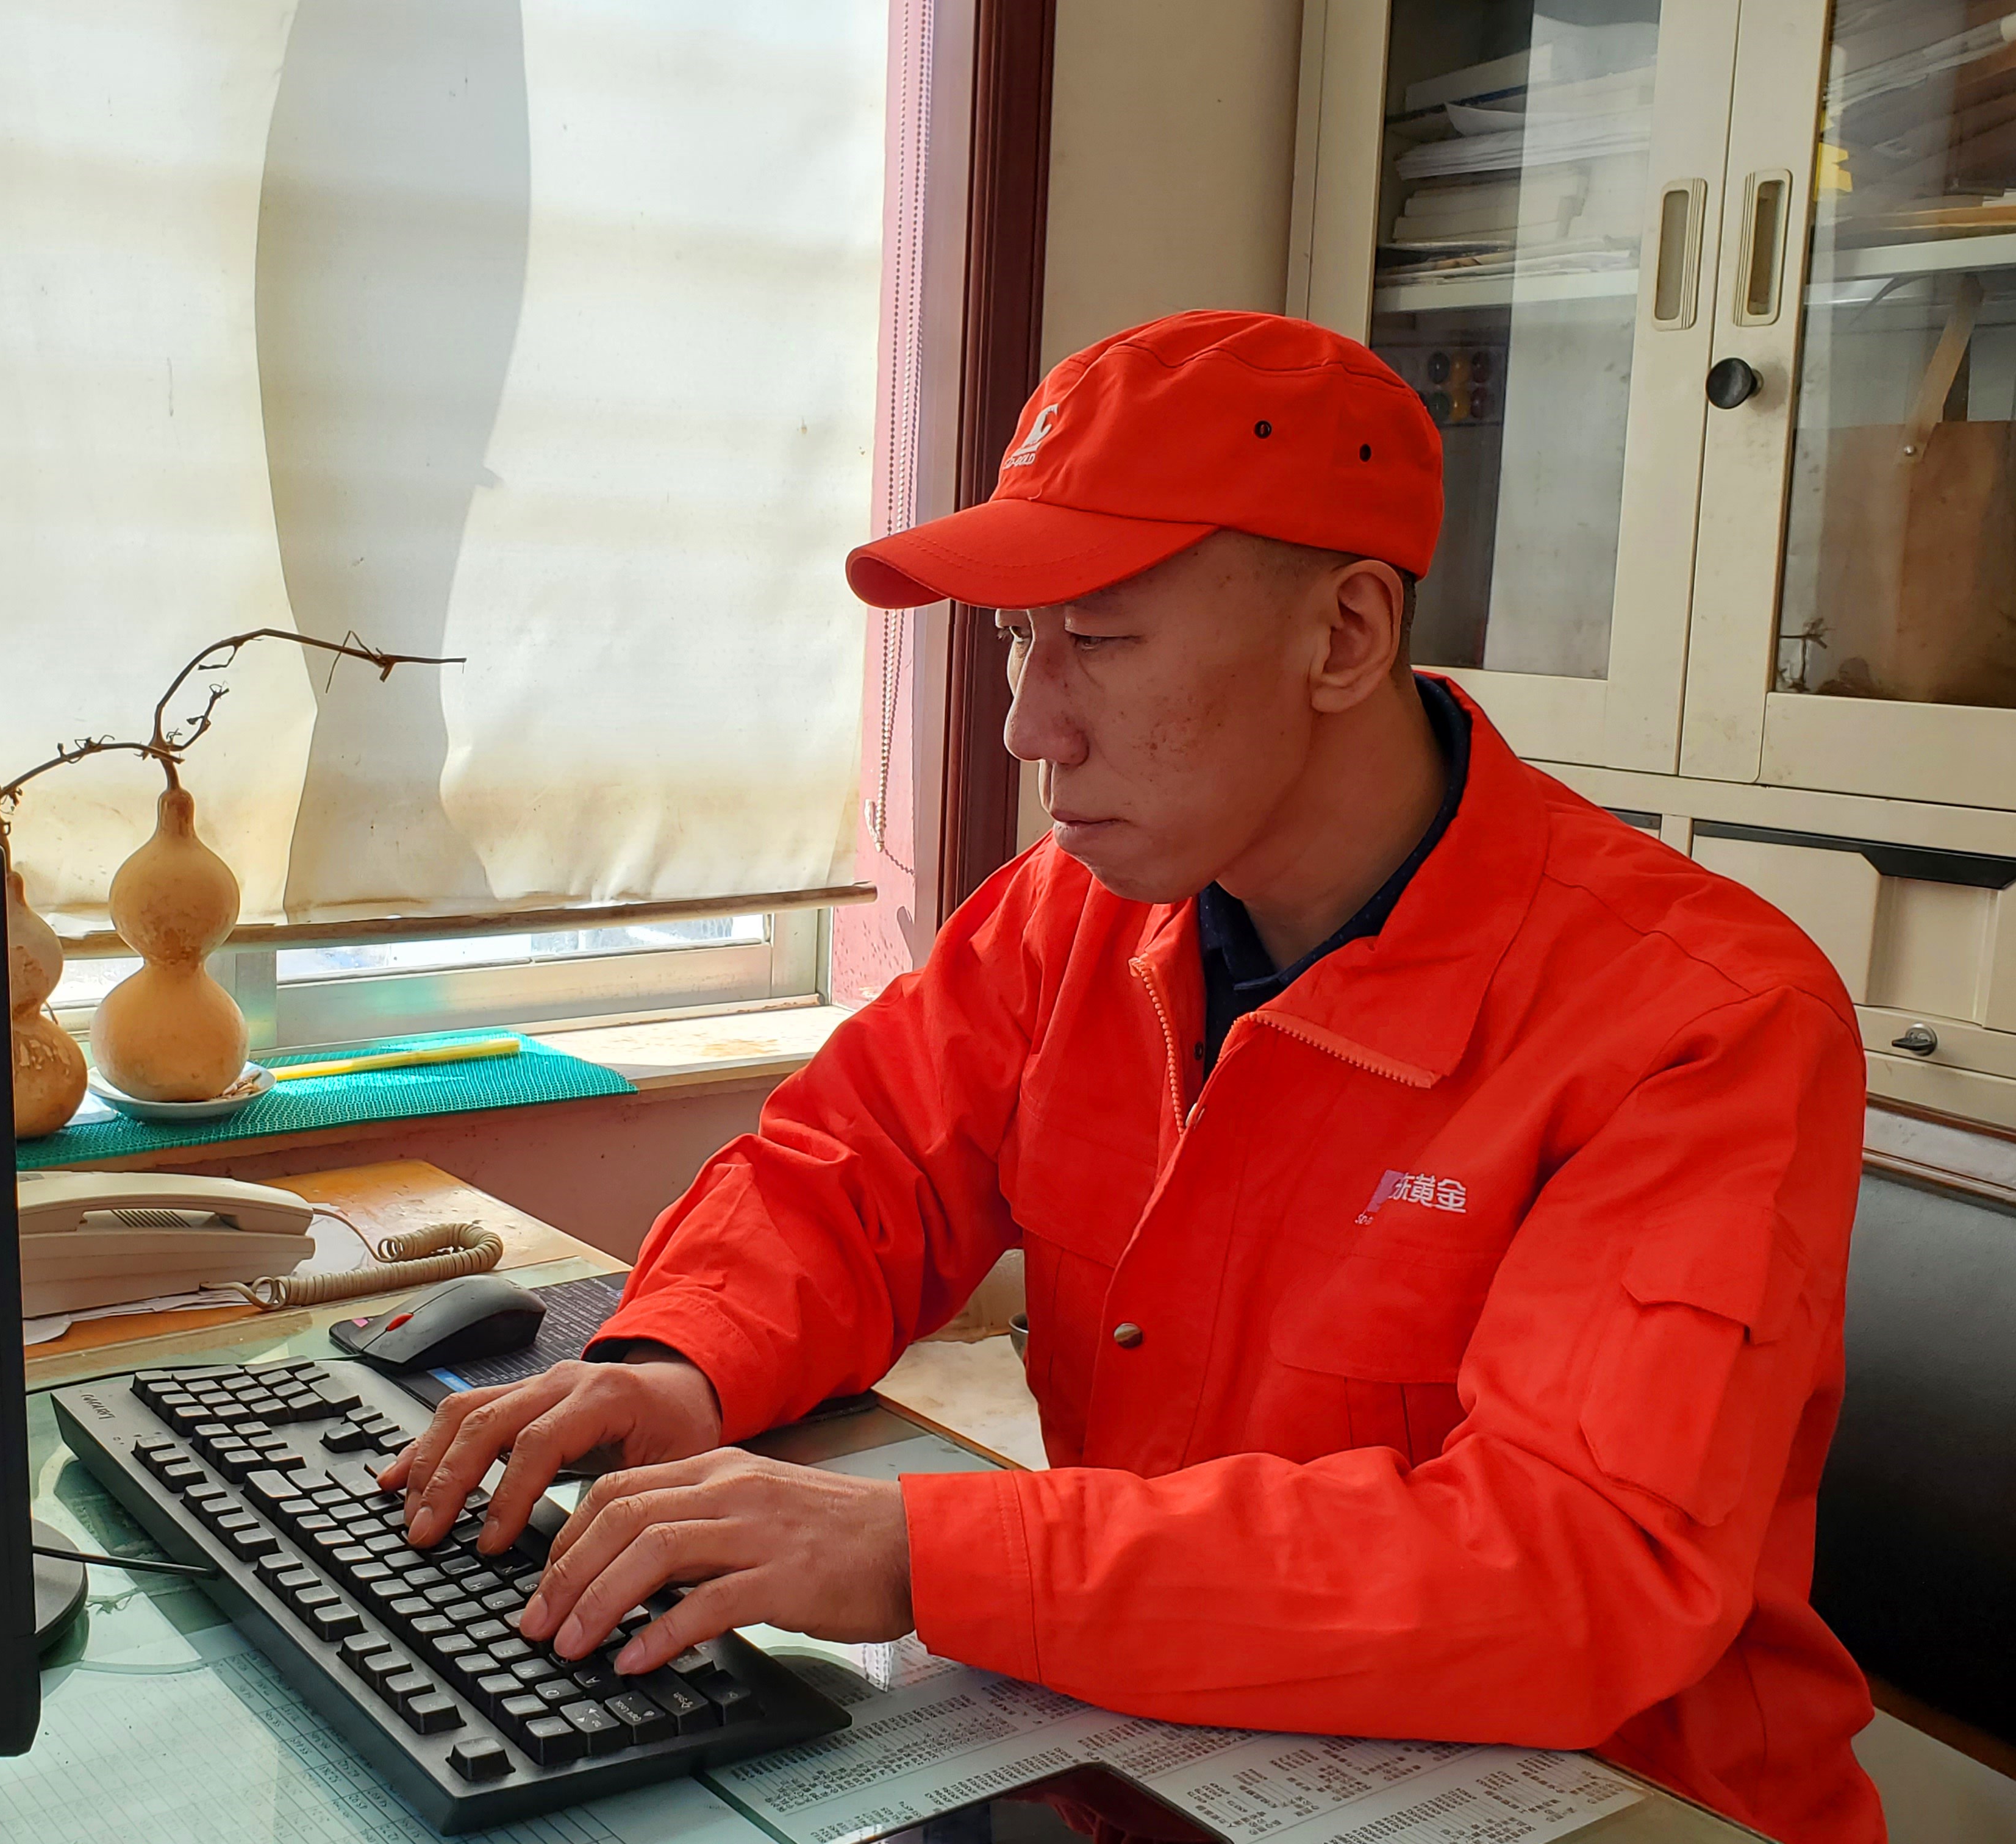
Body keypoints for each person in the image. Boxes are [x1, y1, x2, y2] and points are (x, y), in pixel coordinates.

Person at [379, 312, 1883, 1843]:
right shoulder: (1081, 909)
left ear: (1345, 636)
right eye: (1019, 640)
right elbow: (855, 1172)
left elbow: (1572, 1569)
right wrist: (676, 1366)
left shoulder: (1700, 1020)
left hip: (1614, 1797)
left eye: (1098, 639)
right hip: (1175, 1745)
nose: (1030, 726)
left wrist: (926, 1553)